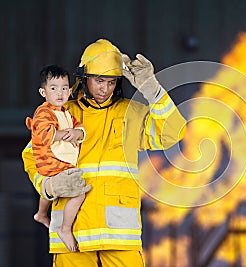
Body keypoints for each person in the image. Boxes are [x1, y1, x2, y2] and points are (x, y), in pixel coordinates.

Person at [22, 39, 186, 266]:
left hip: (118, 233)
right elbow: (31, 154)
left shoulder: (132, 112)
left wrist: (153, 90)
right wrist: (47, 186)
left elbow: (173, 133)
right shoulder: (60, 112)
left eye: (111, 82)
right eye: (99, 81)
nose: (105, 88)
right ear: (84, 78)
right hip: (72, 231)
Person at [26, 65, 87, 252]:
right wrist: (62, 135)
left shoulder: (66, 112)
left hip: (56, 163)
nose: (59, 93)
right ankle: (65, 229)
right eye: (53, 88)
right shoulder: (44, 112)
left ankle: (41, 213)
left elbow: (79, 126)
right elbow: (44, 134)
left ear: (69, 90)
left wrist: (77, 132)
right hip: (53, 161)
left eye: (64, 88)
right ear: (43, 92)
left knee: (50, 189)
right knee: (79, 193)